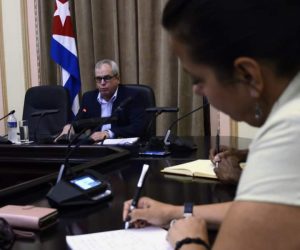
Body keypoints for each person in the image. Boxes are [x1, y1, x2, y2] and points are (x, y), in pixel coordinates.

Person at [123, 0, 300, 249]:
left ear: (247, 75)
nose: (197, 91)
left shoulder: (291, 129)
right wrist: (174, 211)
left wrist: (189, 241)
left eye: (198, 79)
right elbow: (263, 211)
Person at [56, 59, 147, 142]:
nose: (102, 83)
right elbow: (79, 122)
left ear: (117, 79)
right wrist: (70, 127)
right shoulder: (89, 98)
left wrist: (108, 133)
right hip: (97, 148)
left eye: (107, 78)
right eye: (99, 79)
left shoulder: (132, 96)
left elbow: (138, 127)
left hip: (123, 148)